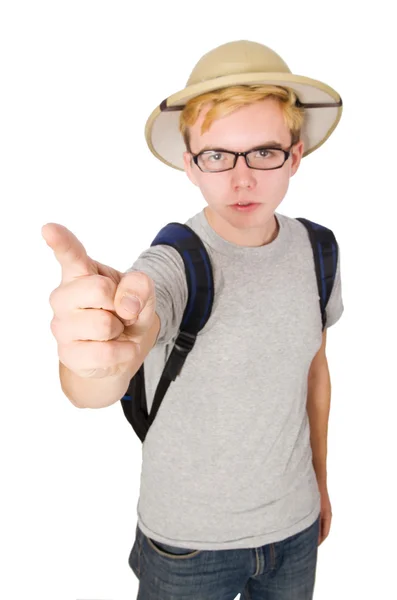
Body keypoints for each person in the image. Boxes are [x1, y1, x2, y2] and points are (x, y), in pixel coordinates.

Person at [42, 40, 344, 599]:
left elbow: (315, 372)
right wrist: (97, 360)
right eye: (217, 156)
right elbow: (116, 350)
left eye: (264, 152)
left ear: (295, 156)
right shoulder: (175, 259)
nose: (241, 178)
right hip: (187, 546)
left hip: (294, 531)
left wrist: (321, 484)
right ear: (190, 165)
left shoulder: (318, 249)